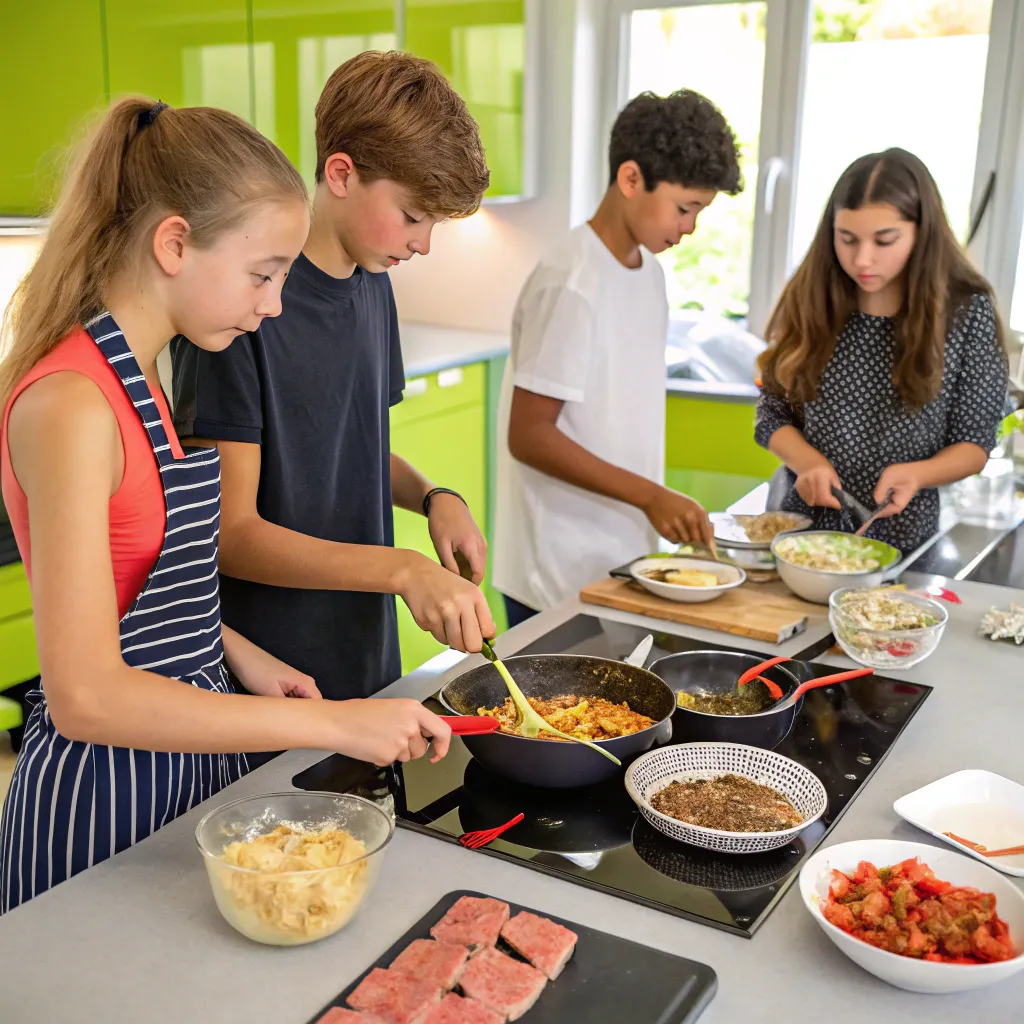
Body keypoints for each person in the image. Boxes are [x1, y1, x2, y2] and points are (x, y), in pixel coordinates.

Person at [0, 98, 451, 913]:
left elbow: (139, 592)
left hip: (182, 775)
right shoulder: (73, 403)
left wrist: (236, 651)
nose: (275, 303)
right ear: (174, 244)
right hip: (106, 800)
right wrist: (337, 724)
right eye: (263, 273)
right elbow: (86, 695)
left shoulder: (142, 380)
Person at [172, 51, 495, 706]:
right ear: (342, 173)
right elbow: (230, 534)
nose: (423, 243)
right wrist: (402, 569)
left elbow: (354, 448)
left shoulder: (373, 288)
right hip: (276, 680)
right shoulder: (240, 313)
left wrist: (435, 497)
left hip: (367, 651)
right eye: (412, 217)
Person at [493, 90, 742, 625]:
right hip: (555, 573)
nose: (691, 227)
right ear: (631, 179)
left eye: (699, 211)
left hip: (621, 557)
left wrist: (650, 504)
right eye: (685, 207)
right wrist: (652, 496)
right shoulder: (571, 281)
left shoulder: (648, 274)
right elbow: (530, 435)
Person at [755, 148, 1009, 555]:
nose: (863, 259)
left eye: (884, 240)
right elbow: (771, 415)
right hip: (802, 537)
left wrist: (918, 474)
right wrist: (806, 462)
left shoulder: (965, 310)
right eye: (847, 239)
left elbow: (974, 443)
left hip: (905, 544)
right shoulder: (812, 295)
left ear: (921, 233)